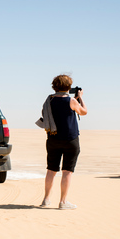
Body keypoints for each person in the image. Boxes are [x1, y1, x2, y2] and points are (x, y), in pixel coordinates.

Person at [39, 74, 88, 210]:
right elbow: (84, 112)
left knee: (51, 170)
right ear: (68, 87)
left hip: (53, 139)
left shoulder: (49, 101)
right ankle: (63, 202)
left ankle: (46, 199)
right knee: (67, 171)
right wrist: (80, 98)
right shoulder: (71, 101)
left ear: (54, 86)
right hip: (70, 139)